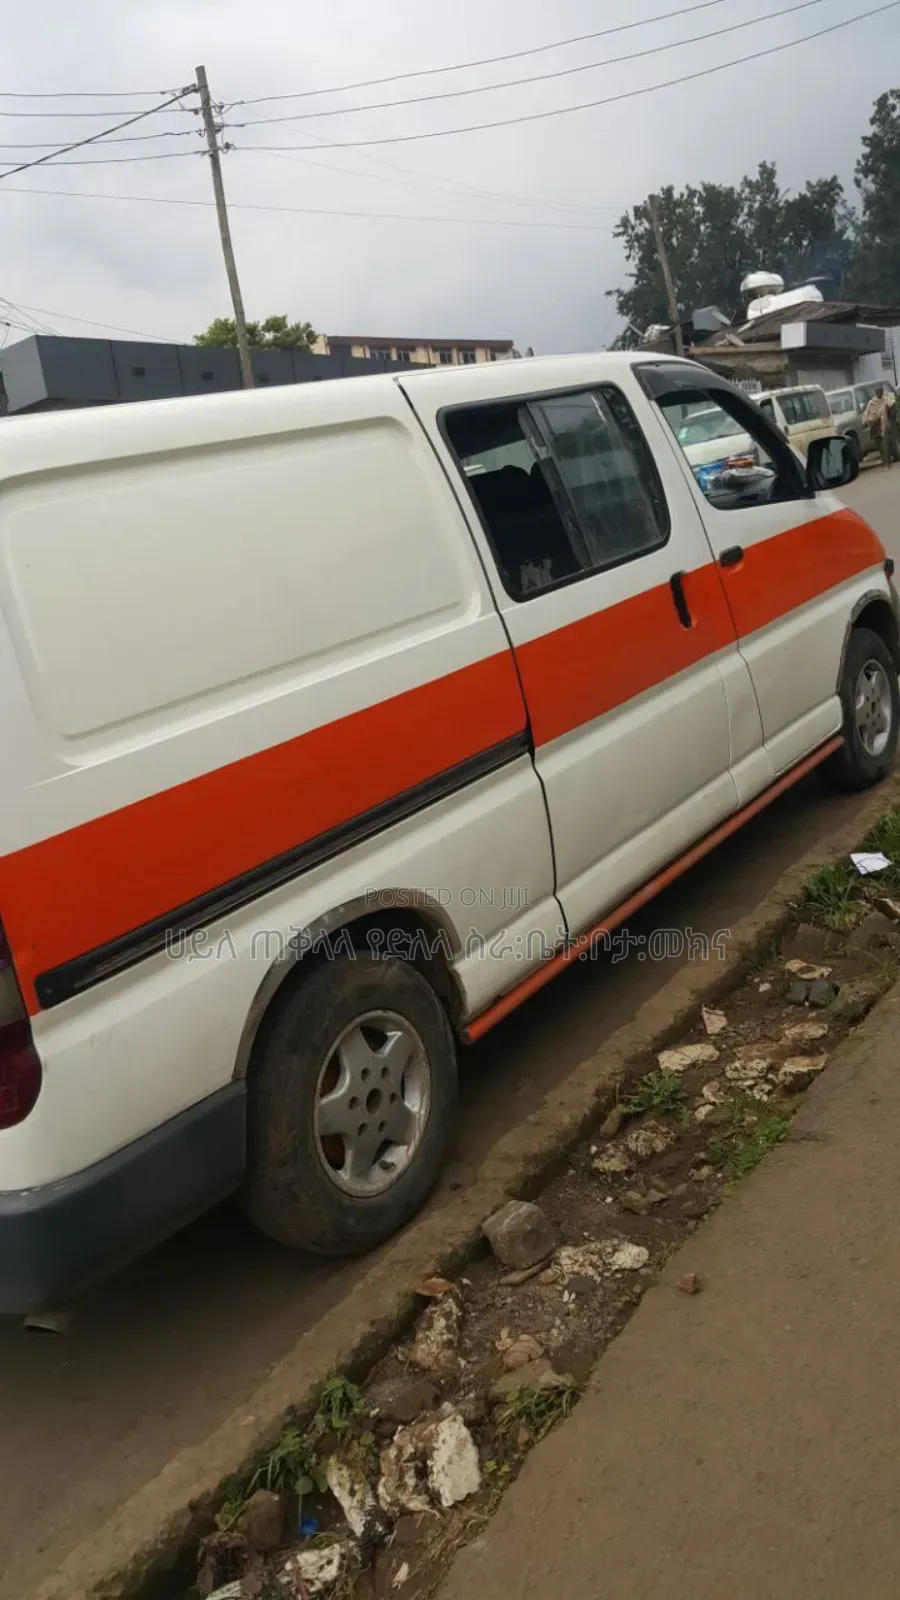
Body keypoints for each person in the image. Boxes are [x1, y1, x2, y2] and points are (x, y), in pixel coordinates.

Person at [863, 385, 898, 469]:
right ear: (875, 392)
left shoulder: (886, 399)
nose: (880, 393)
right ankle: (885, 462)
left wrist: (889, 409)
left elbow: (893, 408)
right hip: (876, 427)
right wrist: (867, 421)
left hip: (885, 425)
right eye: (878, 391)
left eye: (881, 391)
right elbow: (867, 415)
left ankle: (887, 463)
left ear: (882, 391)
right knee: (880, 446)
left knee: (885, 445)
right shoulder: (872, 403)